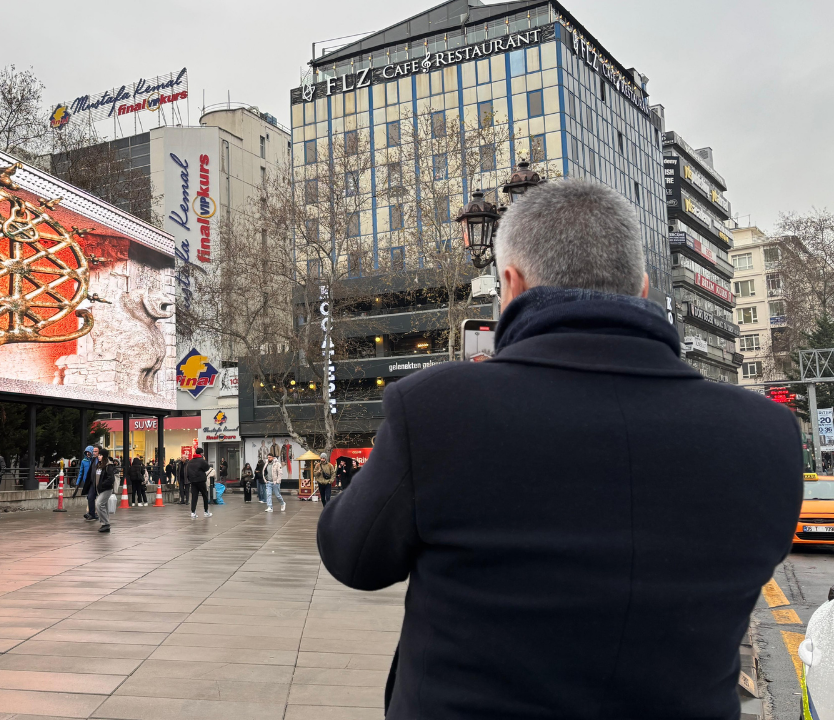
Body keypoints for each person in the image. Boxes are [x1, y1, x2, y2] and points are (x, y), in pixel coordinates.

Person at [316, 178, 804, 719]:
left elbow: (352, 556)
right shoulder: (768, 435)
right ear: (642, 290)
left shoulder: (437, 410)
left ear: (511, 283)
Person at [94, 449, 118, 533]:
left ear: (104, 456)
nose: (99, 456)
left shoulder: (108, 466)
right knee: (104, 506)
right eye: (99, 455)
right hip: (100, 489)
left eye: (100, 455)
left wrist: (102, 484)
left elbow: (110, 478)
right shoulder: (99, 465)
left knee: (99, 504)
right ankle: (105, 524)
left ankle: (105, 523)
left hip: (106, 489)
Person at [185, 447, 211, 518]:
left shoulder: (190, 461)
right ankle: (206, 511)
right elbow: (207, 468)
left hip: (193, 481)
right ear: (201, 453)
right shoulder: (202, 461)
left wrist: (190, 479)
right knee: (204, 495)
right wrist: (204, 460)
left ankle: (193, 512)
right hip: (201, 480)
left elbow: (187, 471)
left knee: (194, 497)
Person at [78, 446, 100, 520]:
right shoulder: (85, 461)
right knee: (90, 497)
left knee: (98, 499)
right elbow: (81, 472)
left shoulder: (97, 460)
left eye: (94, 452)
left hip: (97, 482)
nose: (90, 453)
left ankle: (95, 513)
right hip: (90, 482)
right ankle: (91, 513)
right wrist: (78, 482)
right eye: (92, 452)